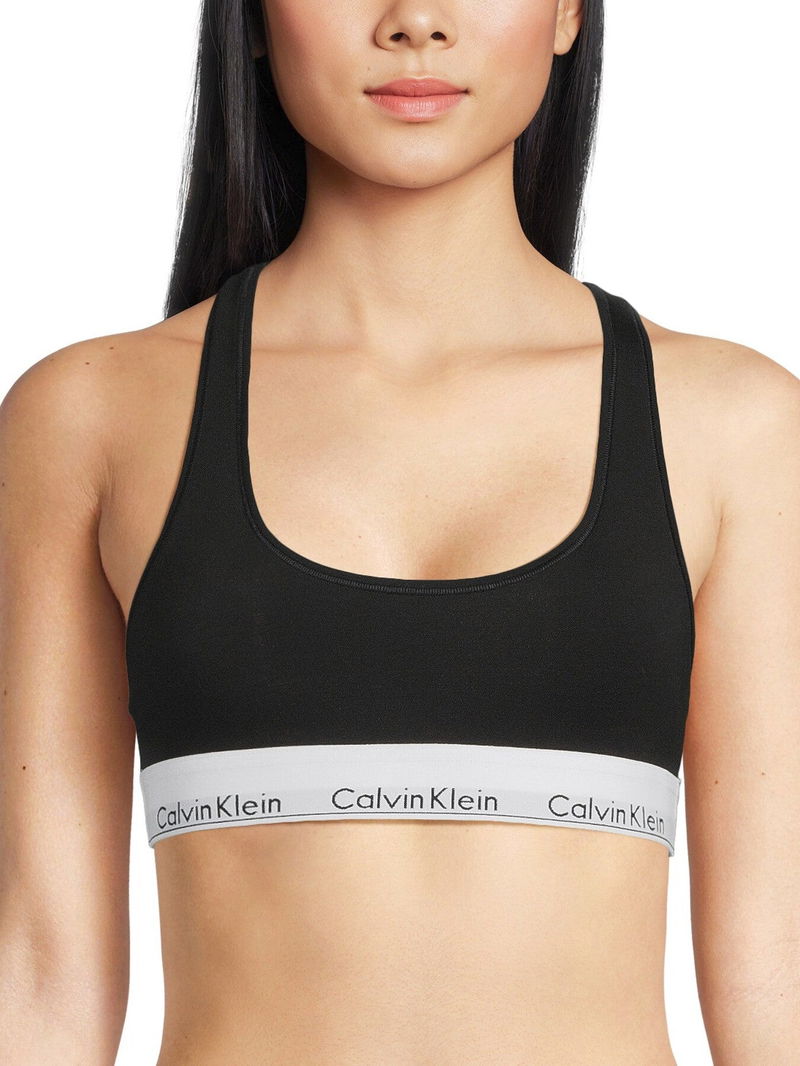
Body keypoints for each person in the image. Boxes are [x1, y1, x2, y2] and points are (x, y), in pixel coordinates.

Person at [2, 1, 798, 1063]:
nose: (415, 20)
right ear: (253, 17)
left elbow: (777, 979)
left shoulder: (734, 426)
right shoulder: (91, 416)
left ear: (567, 11)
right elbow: (43, 976)